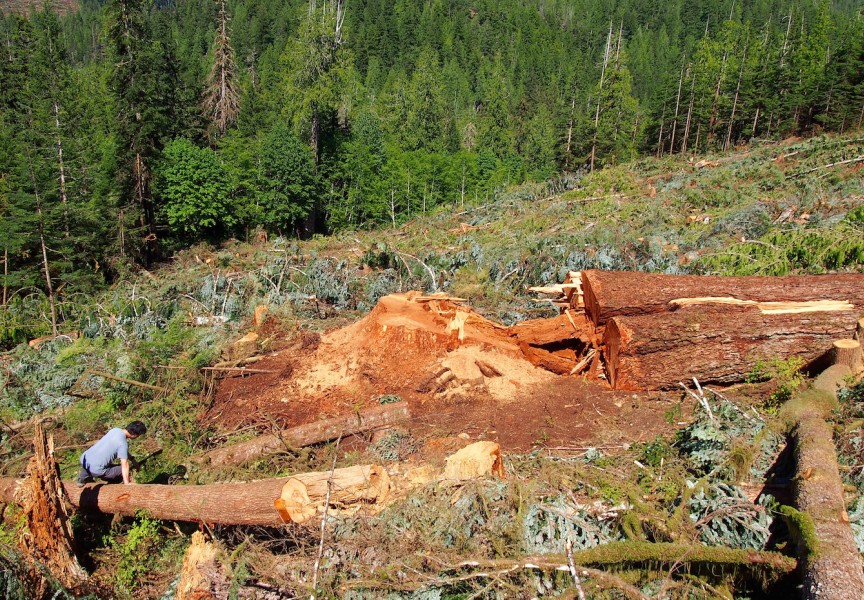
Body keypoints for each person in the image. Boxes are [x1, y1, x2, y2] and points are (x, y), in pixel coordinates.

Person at [77, 421, 147, 486]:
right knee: (125, 472)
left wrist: (132, 459)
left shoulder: (115, 430)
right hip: (97, 469)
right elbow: (124, 464)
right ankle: (112, 487)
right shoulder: (123, 444)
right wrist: (127, 482)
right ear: (134, 435)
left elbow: (122, 450)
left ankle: (82, 478)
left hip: (85, 459)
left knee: (95, 461)